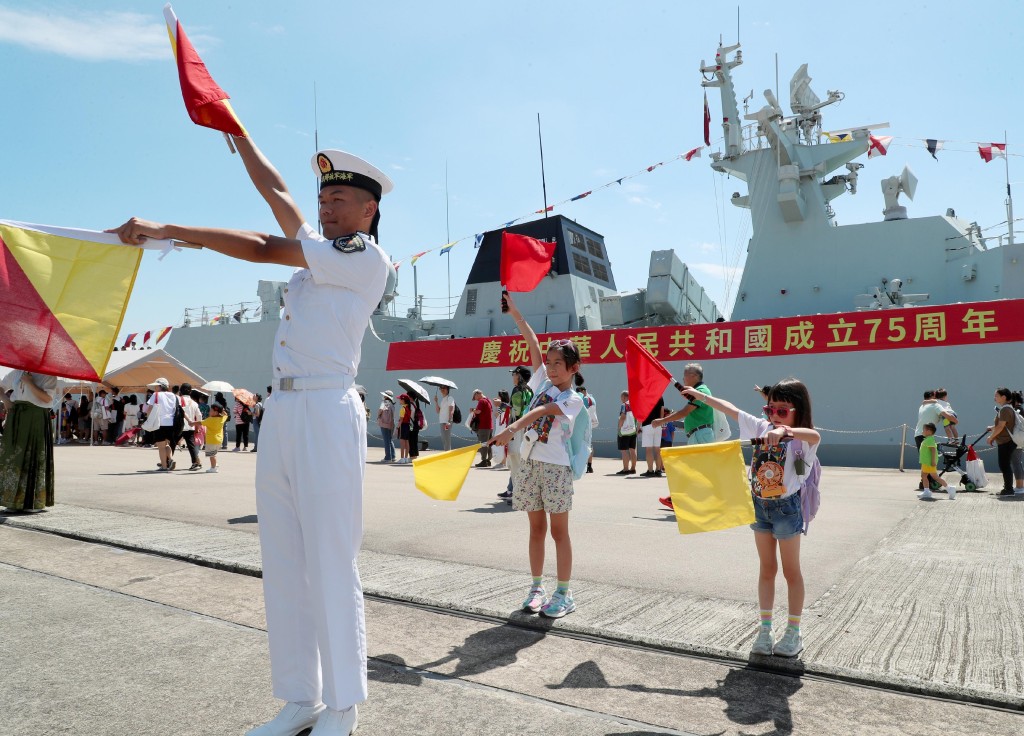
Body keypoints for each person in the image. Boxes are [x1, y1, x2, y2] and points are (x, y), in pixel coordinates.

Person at [110, 137, 393, 735]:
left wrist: (168, 226)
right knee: (285, 560)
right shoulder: (320, 248)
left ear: (368, 210)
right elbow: (277, 193)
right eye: (324, 200)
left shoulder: (362, 253)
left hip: (326, 408)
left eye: (339, 199)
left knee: (331, 560)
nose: (326, 208)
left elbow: (266, 245)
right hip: (284, 411)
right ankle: (301, 699)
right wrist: (239, 136)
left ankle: (343, 705)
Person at [680, 378, 820, 659]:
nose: (774, 415)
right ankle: (765, 630)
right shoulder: (760, 427)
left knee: (791, 571)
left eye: (783, 410)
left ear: (798, 409)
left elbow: (814, 436)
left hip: (787, 509)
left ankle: (794, 632)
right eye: (771, 410)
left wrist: (785, 430)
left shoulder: (802, 438)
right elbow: (730, 409)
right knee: (766, 569)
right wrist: (699, 396)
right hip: (759, 506)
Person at [488, 292, 585, 619]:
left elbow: (543, 410)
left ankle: (563, 592)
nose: (553, 367)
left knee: (559, 532)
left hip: (556, 469)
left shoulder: (574, 399)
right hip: (528, 465)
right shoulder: (542, 378)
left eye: (560, 363)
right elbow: (531, 339)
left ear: (574, 368)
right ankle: (536, 587)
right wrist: (515, 312)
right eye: (551, 362)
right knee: (535, 530)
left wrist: (509, 429)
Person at [653, 363, 715, 508]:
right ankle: (680, 500)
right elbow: (689, 415)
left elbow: (684, 412)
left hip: (701, 435)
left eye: (685, 375)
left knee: (695, 470)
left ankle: (680, 500)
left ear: (693, 376)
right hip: (699, 434)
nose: (683, 378)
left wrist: (662, 420)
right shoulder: (699, 391)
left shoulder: (700, 391)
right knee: (695, 470)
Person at [0, 370, 57, 511]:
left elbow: (47, 399)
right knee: (12, 456)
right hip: (16, 414)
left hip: (36, 415)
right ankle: (11, 500)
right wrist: (5, 400)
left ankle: (31, 501)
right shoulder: (16, 371)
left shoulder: (48, 374)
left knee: (33, 455)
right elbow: (1, 387)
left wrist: (30, 383)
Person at [497, 366, 533, 502]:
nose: (513, 377)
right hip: (527, 430)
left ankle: (517, 495)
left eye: (514, 374)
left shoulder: (517, 391)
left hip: (516, 430)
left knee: (515, 463)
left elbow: (516, 412)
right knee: (522, 463)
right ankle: (522, 493)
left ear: (519, 376)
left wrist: (503, 405)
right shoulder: (529, 391)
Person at [914, 390, 955, 490]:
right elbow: (946, 415)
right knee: (929, 459)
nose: (937, 398)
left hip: (918, 434)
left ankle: (924, 483)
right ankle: (929, 482)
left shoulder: (923, 406)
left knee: (924, 459)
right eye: (935, 396)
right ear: (932, 396)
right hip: (926, 435)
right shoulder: (935, 405)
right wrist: (955, 420)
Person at [987, 388, 1023, 496]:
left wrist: (991, 437)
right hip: (1007, 441)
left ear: (1004, 397)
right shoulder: (1007, 409)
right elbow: (1003, 425)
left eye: (996, 395)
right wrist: (992, 429)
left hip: (1006, 441)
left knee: (1004, 465)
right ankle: (1008, 488)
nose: (995, 398)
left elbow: (1001, 426)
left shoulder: (1005, 410)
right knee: (1005, 464)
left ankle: (1008, 489)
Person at [146, 378, 178, 471]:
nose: (155, 388)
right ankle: (171, 459)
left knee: (161, 447)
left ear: (160, 386)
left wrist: (148, 419)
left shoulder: (156, 395)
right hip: (171, 423)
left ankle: (164, 466)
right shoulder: (173, 395)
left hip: (159, 422)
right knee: (166, 444)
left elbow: (150, 409)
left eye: (156, 386)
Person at [917, 423, 952, 500]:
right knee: (924, 476)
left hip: (929, 463)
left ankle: (949, 489)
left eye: (924, 430)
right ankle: (926, 491)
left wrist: (933, 461)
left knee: (935, 477)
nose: (922, 431)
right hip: (926, 462)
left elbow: (933, 451)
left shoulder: (929, 440)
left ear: (929, 431)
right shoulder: (927, 439)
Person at [178, 382, 204, 471]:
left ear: (180, 390)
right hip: (190, 427)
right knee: (191, 446)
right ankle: (195, 462)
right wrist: (197, 427)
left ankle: (166, 461)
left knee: (172, 443)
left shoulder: (178, 400)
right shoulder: (194, 403)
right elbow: (199, 416)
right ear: (190, 392)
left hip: (179, 426)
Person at [640, 397, 666, 477]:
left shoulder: (645, 396)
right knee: (657, 449)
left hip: (647, 424)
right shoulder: (660, 396)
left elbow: (641, 410)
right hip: (658, 424)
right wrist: (661, 422)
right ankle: (658, 470)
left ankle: (650, 470)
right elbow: (662, 410)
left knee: (649, 449)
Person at [201, 404, 228, 473]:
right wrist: (222, 410)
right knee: (213, 454)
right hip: (219, 440)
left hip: (211, 440)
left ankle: (213, 468)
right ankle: (215, 465)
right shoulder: (222, 418)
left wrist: (192, 423)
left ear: (215, 412)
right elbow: (226, 415)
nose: (209, 411)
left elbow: (200, 422)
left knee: (211, 455)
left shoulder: (210, 420)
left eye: (211, 410)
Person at [470, 388, 494, 467]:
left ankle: (484, 460)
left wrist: (473, 410)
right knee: (489, 443)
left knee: (483, 443)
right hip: (489, 425)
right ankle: (488, 460)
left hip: (483, 426)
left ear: (477, 394)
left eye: (475, 397)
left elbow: (478, 411)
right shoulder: (488, 400)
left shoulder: (481, 401)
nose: (475, 399)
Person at [616, 391, 637, 475]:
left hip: (625, 431)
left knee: (624, 451)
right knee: (632, 450)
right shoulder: (635, 405)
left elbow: (623, 417)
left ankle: (625, 469)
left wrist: (619, 427)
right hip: (633, 430)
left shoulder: (624, 405)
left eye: (621, 397)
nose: (621, 399)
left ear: (624, 397)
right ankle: (633, 468)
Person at [579, 386, 598, 473]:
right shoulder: (592, 398)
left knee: (585, 445)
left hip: (586, 424)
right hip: (592, 423)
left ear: (583, 391)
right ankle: (589, 466)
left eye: (579, 392)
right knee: (589, 444)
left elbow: (582, 411)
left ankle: (586, 466)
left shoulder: (585, 399)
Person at [491, 391, 512, 469]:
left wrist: (497, 406)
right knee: (502, 445)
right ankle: (503, 462)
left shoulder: (504, 406)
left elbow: (496, 414)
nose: (497, 397)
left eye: (498, 396)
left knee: (503, 445)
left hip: (502, 428)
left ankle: (503, 463)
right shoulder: (504, 406)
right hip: (501, 427)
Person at [434, 385, 455, 452]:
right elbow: (438, 411)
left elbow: (451, 410)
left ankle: (448, 453)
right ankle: (447, 453)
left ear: (448, 389)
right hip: (442, 421)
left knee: (446, 438)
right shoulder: (443, 399)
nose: (442, 389)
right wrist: (436, 402)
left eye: (444, 388)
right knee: (444, 438)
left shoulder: (450, 398)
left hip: (446, 422)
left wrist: (449, 421)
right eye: (441, 388)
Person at [377, 391, 396, 463]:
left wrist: (378, 416)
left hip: (384, 423)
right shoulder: (392, 403)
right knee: (390, 440)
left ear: (386, 396)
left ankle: (388, 457)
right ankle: (393, 456)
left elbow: (380, 410)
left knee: (386, 441)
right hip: (391, 423)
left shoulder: (384, 402)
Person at [397, 394, 412, 463]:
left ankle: (402, 458)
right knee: (407, 442)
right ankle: (406, 458)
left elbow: (401, 420)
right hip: (408, 425)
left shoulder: (403, 408)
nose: (399, 400)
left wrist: (397, 428)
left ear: (403, 400)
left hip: (403, 426)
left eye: (400, 399)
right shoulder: (409, 408)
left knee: (402, 443)